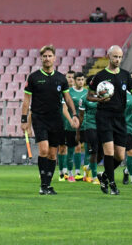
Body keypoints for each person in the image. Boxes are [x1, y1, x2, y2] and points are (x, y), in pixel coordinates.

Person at [22, 45, 79, 195]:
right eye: (44, 56)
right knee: (44, 150)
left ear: (54, 58)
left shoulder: (60, 78)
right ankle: (43, 185)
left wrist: (74, 114)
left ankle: (47, 185)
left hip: (56, 120)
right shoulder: (33, 77)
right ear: (41, 58)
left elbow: (68, 98)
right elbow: (26, 100)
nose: (47, 59)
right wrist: (24, 119)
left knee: (53, 154)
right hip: (39, 118)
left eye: (49, 56)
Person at [87, 45, 132, 196]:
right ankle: (112, 185)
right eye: (115, 57)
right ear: (108, 56)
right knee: (109, 151)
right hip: (104, 116)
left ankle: (104, 176)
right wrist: (99, 99)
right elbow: (89, 96)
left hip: (120, 117)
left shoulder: (125, 75)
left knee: (120, 156)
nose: (117, 60)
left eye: (119, 57)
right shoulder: (99, 76)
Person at [59, 71, 86, 182]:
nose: (81, 81)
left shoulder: (86, 92)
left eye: (82, 79)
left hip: (82, 126)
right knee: (65, 148)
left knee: (79, 147)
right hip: (68, 125)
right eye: (78, 79)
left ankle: (78, 172)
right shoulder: (67, 92)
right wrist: (70, 121)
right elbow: (64, 108)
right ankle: (64, 172)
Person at [78, 86, 100, 184]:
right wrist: (78, 131)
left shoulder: (103, 97)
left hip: (102, 126)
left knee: (100, 153)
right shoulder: (84, 98)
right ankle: (95, 177)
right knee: (93, 151)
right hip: (90, 126)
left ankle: (88, 168)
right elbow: (81, 115)